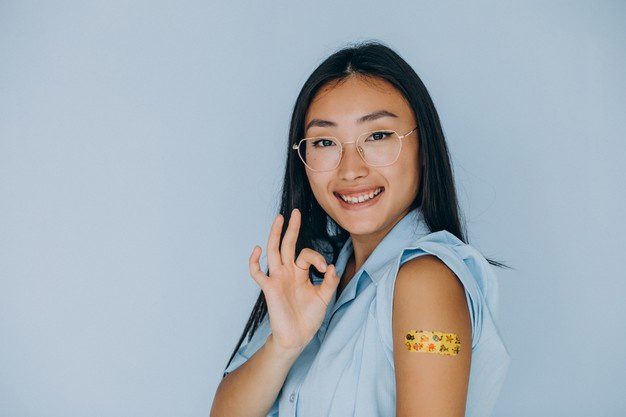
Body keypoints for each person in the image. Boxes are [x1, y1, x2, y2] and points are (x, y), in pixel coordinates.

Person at [210, 40, 512, 417]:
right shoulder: (314, 276)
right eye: (324, 141)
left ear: (424, 146)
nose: (351, 169)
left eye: (378, 136)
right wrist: (283, 345)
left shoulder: (425, 283)